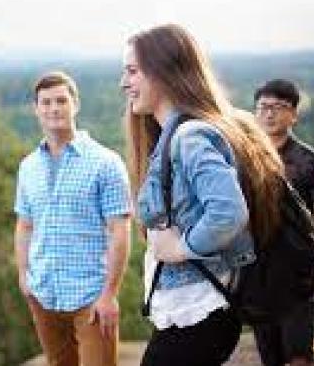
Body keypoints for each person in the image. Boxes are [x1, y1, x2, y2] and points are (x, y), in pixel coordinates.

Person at [120, 24, 285, 366]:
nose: (125, 83)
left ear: (164, 71)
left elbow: (228, 212)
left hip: (199, 308)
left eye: (133, 71)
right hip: (191, 308)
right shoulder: (174, 134)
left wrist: (181, 248)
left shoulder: (190, 136)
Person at [14, 71, 132, 366]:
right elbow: (24, 225)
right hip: (44, 294)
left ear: (75, 105)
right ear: (36, 109)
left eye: (61, 101)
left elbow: (120, 230)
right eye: (46, 102)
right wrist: (24, 275)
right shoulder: (28, 167)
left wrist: (109, 295)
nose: (54, 108)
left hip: (90, 298)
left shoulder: (105, 162)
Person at [253, 79, 314, 366]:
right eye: (263, 106)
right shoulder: (246, 158)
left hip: (298, 274)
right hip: (258, 273)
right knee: (269, 355)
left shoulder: (311, 161)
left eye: (279, 107)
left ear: (294, 115)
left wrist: (311, 259)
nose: (269, 113)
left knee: (299, 356)